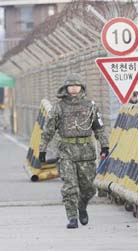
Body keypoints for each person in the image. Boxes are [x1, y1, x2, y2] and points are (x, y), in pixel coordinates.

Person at [39, 72, 109, 229]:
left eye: (77, 86)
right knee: (70, 187)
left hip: (86, 153)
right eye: (71, 86)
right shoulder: (58, 108)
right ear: (66, 88)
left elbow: (99, 129)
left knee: (89, 188)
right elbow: (48, 130)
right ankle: (72, 217)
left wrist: (104, 146)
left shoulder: (91, 106)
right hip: (66, 153)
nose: (74, 89)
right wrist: (42, 150)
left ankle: (82, 206)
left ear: (82, 87)